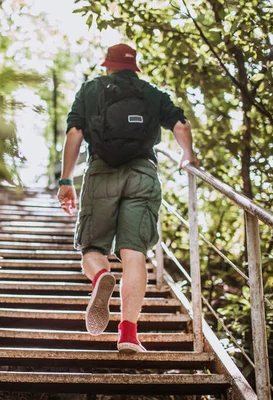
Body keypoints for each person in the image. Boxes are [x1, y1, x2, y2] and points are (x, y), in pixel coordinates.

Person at [57, 43, 199, 353]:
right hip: (143, 174)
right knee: (134, 253)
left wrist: (67, 179)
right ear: (134, 67)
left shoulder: (91, 90)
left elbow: (74, 134)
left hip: (101, 171)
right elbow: (181, 125)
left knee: (92, 249)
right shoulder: (150, 92)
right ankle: (129, 334)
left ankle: (102, 277)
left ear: (107, 65)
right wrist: (187, 156)